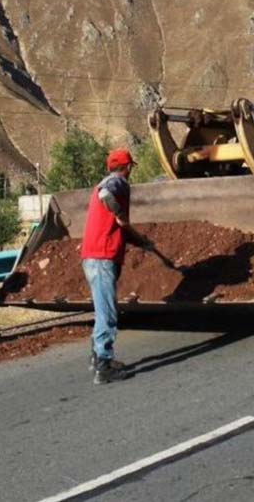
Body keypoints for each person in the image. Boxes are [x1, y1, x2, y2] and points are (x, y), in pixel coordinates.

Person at [81, 149, 155, 384]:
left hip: (96, 255)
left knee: (103, 309)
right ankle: (103, 366)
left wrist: (141, 241)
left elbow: (119, 227)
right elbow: (106, 193)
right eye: (131, 166)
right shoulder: (117, 183)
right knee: (108, 313)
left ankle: (99, 358)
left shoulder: (112, 182)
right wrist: (120, 213)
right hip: (102, 257)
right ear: (128, 167)